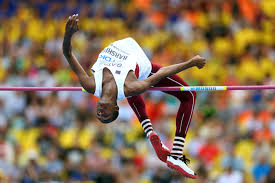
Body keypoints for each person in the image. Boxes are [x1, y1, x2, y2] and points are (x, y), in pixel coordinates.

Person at [62, 14, 206, 179]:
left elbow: (68, 53)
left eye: (99, 114)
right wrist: (191, 63)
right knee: (189, 95)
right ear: (116, 107)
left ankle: (149, 130)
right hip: (140, 62)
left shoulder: (90, 85)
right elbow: (161, 72)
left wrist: (68, 34)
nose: (101, 112)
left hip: (120, 48)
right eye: (106, 114)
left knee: (131, 90)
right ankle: (176, 152)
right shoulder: (131, 86)